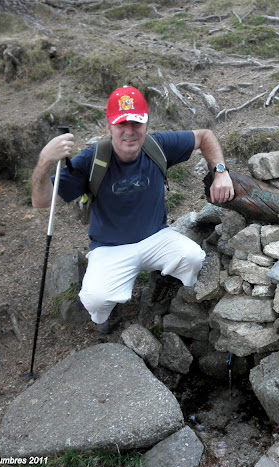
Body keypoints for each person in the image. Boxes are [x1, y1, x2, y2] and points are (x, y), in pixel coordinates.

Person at [31, 85, 234, 333]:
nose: (129, 132)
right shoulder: (92, 160)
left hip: (156, 237)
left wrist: (220, 172)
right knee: (95, 299)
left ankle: (162, 283)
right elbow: (41, 201)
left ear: (146, 125)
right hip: (109, 248)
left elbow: (205, 136)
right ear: (109, 127)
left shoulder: (156, 146)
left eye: (136, 123)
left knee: (192, 258)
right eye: (121, 124)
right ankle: (108, 310)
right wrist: (44, 160)